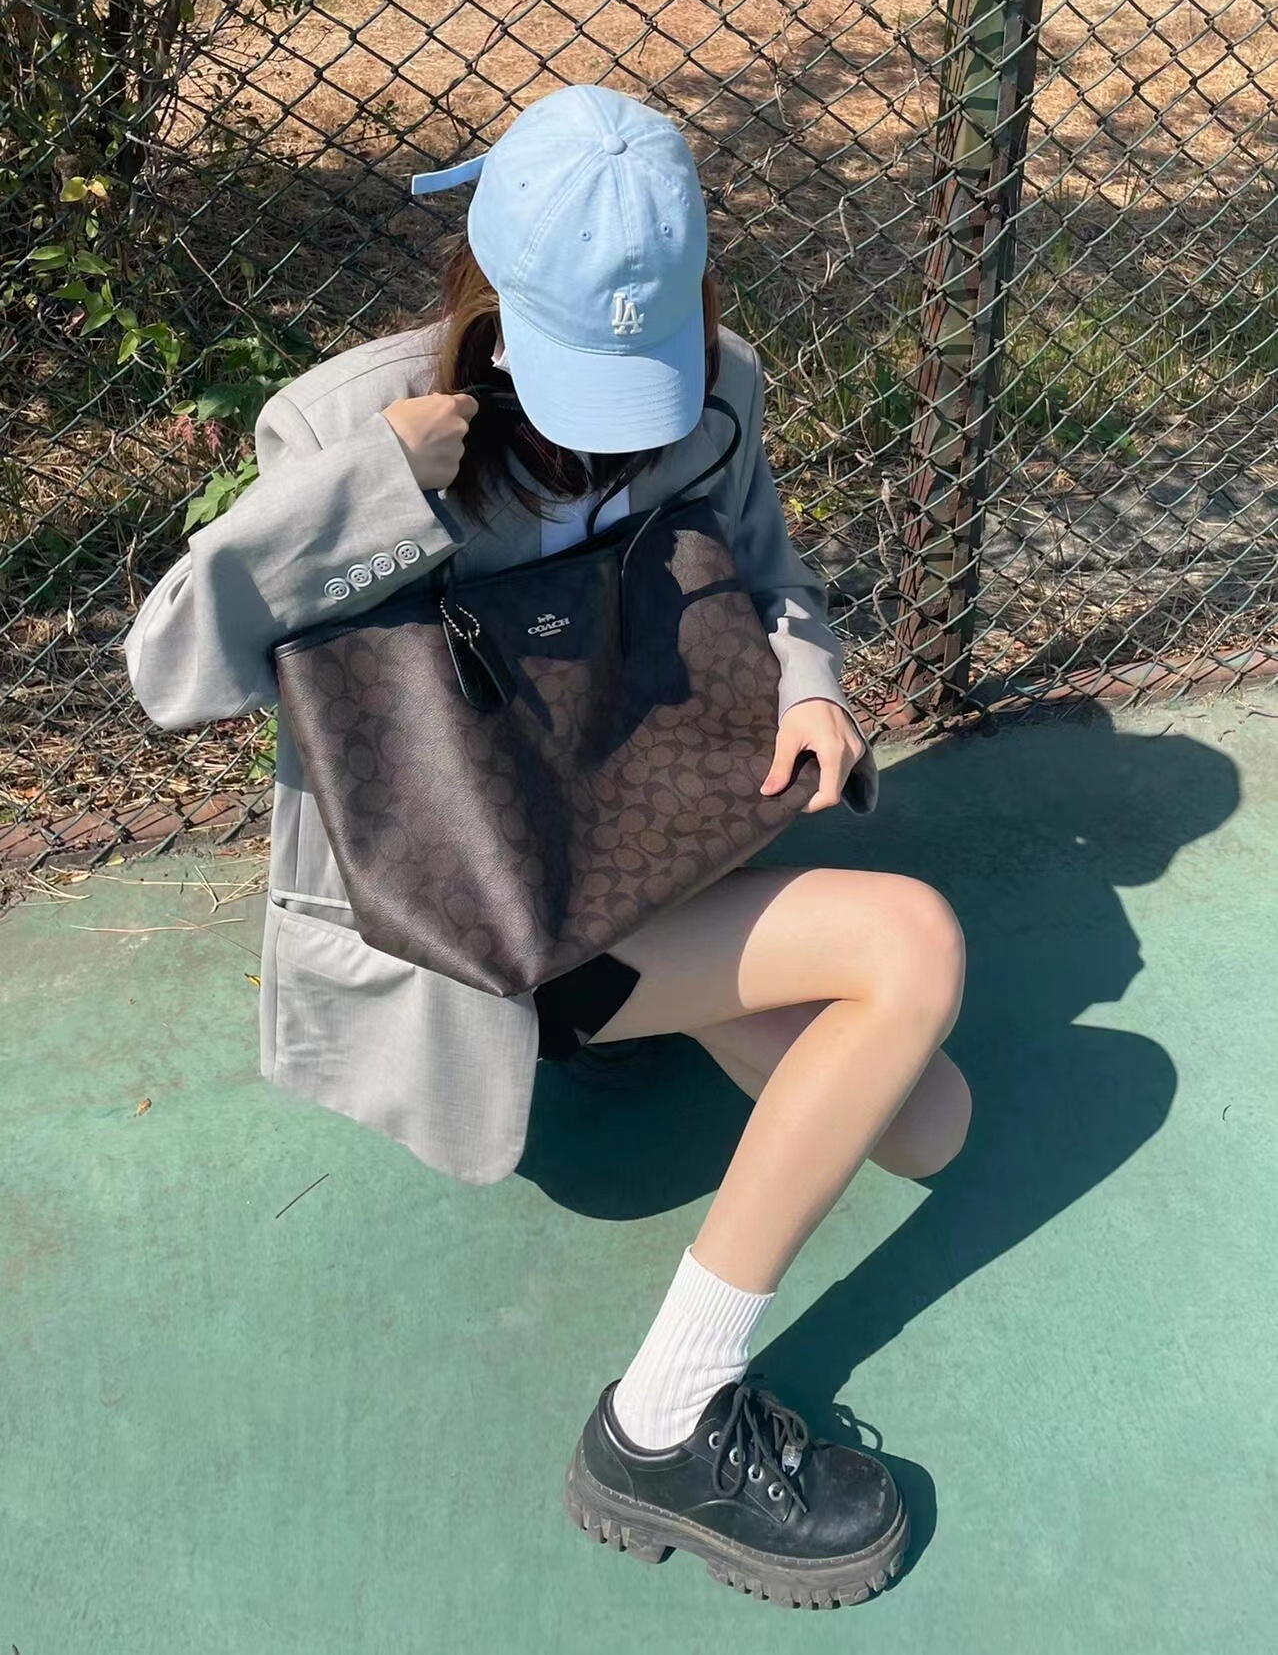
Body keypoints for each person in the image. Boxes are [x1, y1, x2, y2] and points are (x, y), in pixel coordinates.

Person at [124, 83, 970, 1608]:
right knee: (907, 943)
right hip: (489, 922)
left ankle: (658, 1019)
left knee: (931, 1127)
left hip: (652, 850)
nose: (623, 414)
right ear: (491, 298)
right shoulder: (347, 422)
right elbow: (174, 668)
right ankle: (662, 1419)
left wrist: (811, 685)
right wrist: (373, 486)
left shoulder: (717, 382)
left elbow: (770, 574)